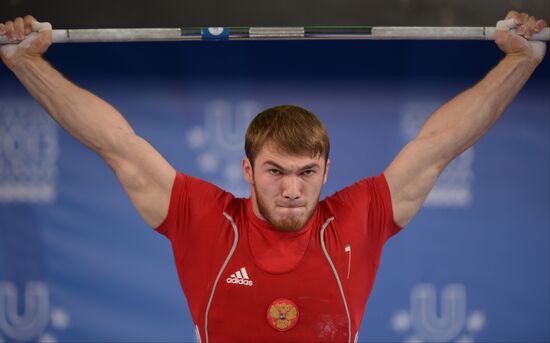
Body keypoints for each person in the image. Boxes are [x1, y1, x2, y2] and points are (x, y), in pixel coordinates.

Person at [0, 10, 546, 343]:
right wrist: (26, 63)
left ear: (328, 170)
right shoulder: (202, 217)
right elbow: (116, 143)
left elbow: (439, 145)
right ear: (247, 170)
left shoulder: (358, 216)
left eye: (308, 172)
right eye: (275, 171)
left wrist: (519, 62)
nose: (292, 189)